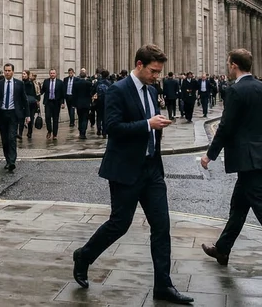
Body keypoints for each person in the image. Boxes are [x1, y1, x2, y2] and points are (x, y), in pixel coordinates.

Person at [71, 45, 192, 305]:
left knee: (162, 226)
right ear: (139, 64)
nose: (156, 76)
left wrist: (155, 125)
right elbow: (112, 127)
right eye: (153, 71)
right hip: (126, 169)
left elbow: (148, 124)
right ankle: (84, 255)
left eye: (159, 72)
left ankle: (163, 285)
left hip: (151, 169)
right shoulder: (118, 90)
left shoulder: (150, 90)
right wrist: (148, 124)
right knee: (120, 224)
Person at [201, 49, 262, 281]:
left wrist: (210, 155)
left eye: (228, 63)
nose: (228, 66)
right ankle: (223, 249)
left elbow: (226, 127)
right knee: (239, 205)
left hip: (247, 161)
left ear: (234, 65)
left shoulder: (235, 91)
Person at [0, 64, 27, 171]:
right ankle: (7, 160)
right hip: (2, 114)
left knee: (12, 137)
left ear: (13, 72)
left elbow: (24, 100)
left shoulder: (19, 84)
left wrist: (27, 115)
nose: (7, 72)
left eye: (9, 70)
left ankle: (12, 161)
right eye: (5, 70)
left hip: (13, 114)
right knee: (5, 139)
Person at [40, 69, 63, 139]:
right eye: (51, 73)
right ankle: (49, 130)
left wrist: (62, 103)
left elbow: (62, 93)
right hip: (48, 102)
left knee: (55, 119)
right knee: (47, 117)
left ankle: (55, 134)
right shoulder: (46, 81)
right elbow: (42, 91)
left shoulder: (60, 82)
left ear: (56, 74)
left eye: (53, 73)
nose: (52, 74)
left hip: (56, 103)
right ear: (49, 74)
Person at [73, 69, 94, 139]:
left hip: (78, 103)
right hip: (86, 103)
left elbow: (74, 94)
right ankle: (83, 132)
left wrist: (74, 103)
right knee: (85, 118)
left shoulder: (76, 84)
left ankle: (80, 130)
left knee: (80, 118)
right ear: (86, 76)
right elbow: (91, 93)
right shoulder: (88, 83)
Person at [20, 69, 37, 140]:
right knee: (21, 119)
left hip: (30, 104)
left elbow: (32, 93)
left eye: (24, 74)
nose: (23, 75)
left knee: (30, 119)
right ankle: (20, 133)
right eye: (22, 74)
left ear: (27, 75)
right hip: (23, 104)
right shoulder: (20, 83)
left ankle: (30, 132)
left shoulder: (30, 83)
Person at [94, 70, 111, 137]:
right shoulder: (109, 83)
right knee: (105, 117)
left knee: (98, 116)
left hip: (98, 101)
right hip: (106, 101)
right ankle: (104, 131)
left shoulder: (98, 82)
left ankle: (98, 129)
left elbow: (93, 91)